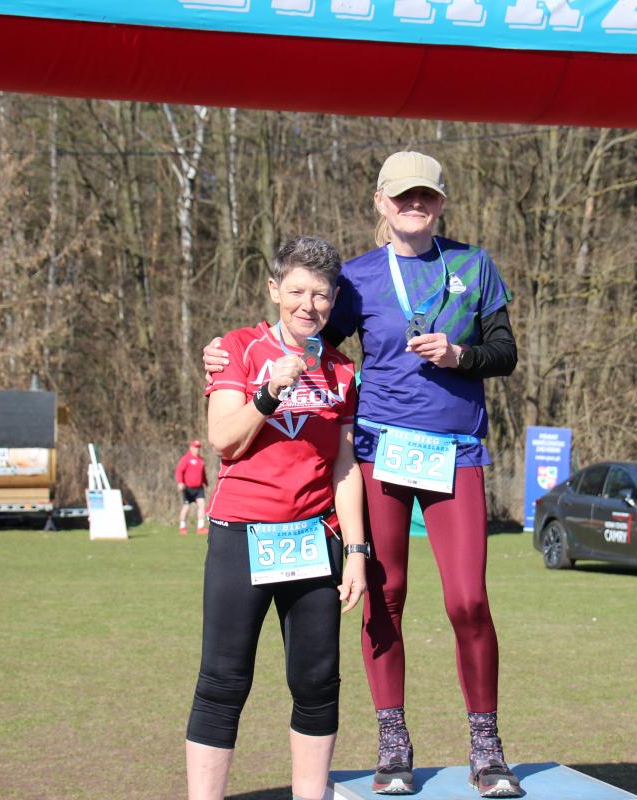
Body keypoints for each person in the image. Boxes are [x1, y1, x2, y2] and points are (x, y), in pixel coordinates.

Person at [205, 152, 520, 797]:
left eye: (426, 196)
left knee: (468, 600)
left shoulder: (474, 265)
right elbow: (309, 337)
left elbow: (505, 353)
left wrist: (461, 355)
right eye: (402, 196)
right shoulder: (354, 278)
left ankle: (486, 747)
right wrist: (227, 352)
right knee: (385, 595)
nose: (415, 205)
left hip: (455, 450)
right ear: (381, 202)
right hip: (380, 450)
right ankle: (393, 742)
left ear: (441, 203)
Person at [186, 235, 369, 800]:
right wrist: (268, 394)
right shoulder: (238, 348)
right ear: (274, 290)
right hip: (241, 535)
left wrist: (357, 551)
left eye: (320, 294)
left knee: (317, 682)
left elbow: (344, 467)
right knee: (223, 681)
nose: (307, 305)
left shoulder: (342, 371)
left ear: (333, 299)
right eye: (296, 291)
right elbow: (224, 440)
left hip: (314, 539)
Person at [175, 439, 209, 534]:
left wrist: (206, 483)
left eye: (198, 447)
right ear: (191, 447)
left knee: (202, 505)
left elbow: (203, 474)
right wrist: (180, 482)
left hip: (199, 488)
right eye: (195, 447)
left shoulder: (201, 460)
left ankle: (200, 527)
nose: (197, 449)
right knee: (186, 507)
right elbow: (179, 471)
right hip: (188, 488)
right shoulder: (186, 459)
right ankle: (182, 527)